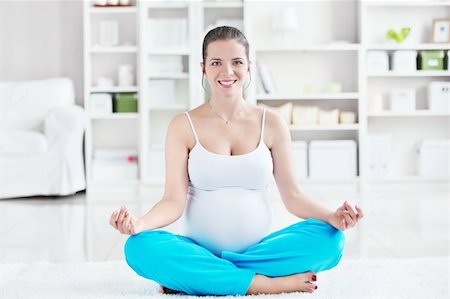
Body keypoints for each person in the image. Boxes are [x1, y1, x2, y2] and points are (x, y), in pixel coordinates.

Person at [109, 26, 363, 296]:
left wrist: (331, 216)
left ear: (249, 67)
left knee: (331, 240)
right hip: (198, 250)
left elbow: (293, 195)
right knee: (138, 247)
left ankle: (207, 276)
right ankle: (263, 284)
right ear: (203, 68)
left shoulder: (272, 123)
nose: (227, 72)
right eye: (216, 62)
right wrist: (140, 224)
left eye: (237, 62)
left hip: (261, 252)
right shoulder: (182, 126)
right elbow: (172, 201)